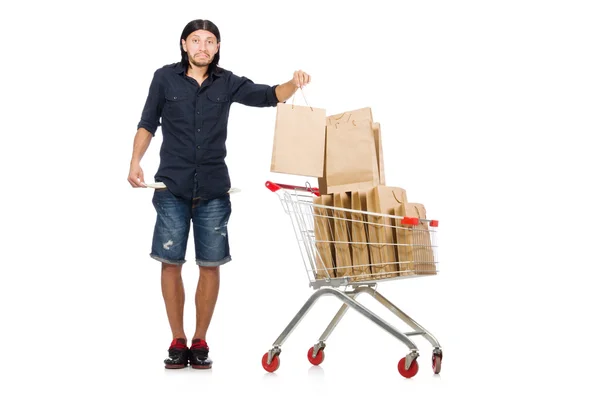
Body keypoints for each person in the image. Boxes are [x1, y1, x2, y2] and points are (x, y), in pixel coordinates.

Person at [127, 18, 311, 369]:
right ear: (184, 45)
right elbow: (147, 122)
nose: (202, 47)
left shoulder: (227, 82)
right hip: (171, 187)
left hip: (213, 189)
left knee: (210, 265)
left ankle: (200, 340)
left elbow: (268, 96)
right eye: (195, 40)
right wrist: (135, 161)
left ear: (217, 47)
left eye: (210, 41)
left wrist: (294, 82)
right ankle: (177, 339)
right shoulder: (164, 78)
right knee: (171, 263)